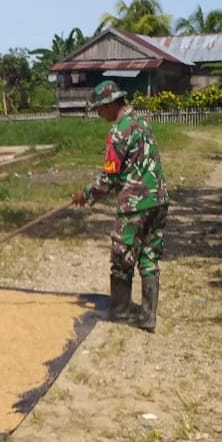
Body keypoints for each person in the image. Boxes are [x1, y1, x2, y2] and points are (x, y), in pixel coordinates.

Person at [71, 80, 169, 332]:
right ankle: (148, 316)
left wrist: (85, 195)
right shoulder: (141, 122)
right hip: (158, 199)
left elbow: (109, 176)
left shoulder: (118, 132)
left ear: (111, 104)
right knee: (149, 254)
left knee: (122, 255)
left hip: (135, 202)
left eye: (100, 109)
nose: (99, 114)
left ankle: (120, 311)